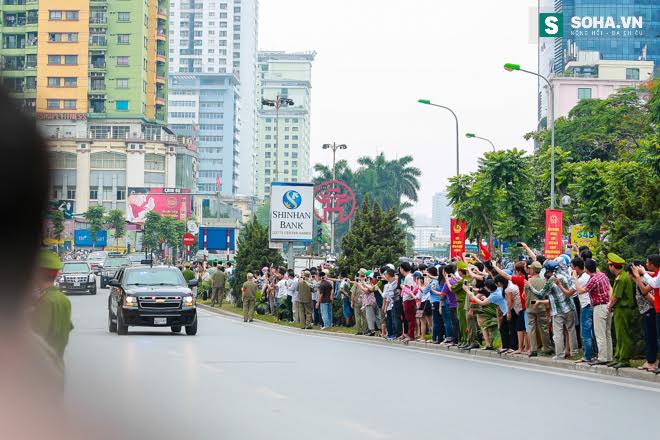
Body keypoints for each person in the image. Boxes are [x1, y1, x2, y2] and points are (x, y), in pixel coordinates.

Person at [525, 261, 577, 360]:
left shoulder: (551, 280)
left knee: (558, 333)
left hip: (557, 310)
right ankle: (574, 352)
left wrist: (529, 286)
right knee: (571, 330)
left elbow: (540, 294)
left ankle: (559, 355)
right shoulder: (565, 275)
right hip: (569, 307)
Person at [32, 250, 74, 365]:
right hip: (58, 366)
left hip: (41, 368)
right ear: (56, 274)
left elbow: (37, 337)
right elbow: (68, 327)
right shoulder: (64, 299)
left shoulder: (45, 301)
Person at [575, 258, 612, 366]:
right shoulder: (602, 275)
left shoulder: (593, 280)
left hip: (599, 307)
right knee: (607, 333)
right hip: (608, 305)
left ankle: (602, 357)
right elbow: (610, 288)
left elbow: (581, 291)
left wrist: (575, 279)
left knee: (600, 334)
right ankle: (608, 356)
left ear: (586, 269)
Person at [556, 257, 593, 363]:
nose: (571, 270)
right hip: (589, 305)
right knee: (590, 332)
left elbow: (568, 293)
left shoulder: (580, 279)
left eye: (572, 268)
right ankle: (590, 353)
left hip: (586, 306)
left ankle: (587, 355)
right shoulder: (586, 276)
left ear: (576, 268)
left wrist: (559, 285)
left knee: (585, 333)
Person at [606, 253, 635, 368]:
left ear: (613, 266)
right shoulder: (622, 276)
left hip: (623, 309)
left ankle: (624, 359)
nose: (609, 267)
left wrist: (609, 305)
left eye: (609, 265)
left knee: (623, 334)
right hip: (621, 309)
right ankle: (618, 356)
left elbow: (616, 296)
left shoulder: (621, 278)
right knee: (619, 334)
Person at [630, 262, 657, 372]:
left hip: (649, 311)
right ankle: (650, 361)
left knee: (650, 337)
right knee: (650, 337)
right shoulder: (645, 279)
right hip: (649, 311)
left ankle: (651, 362)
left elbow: (650, 298)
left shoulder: (642, 282)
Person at [524, 261, 553, 357]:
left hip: (530, 306)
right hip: (541, 307)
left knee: (531, 328)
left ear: (533, 270)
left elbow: (525, 295)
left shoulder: (529, 282)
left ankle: (533, 349)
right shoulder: (544, 281)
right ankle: (547, 348)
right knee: (544, 328)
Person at [426, 266, 445, 344]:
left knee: (436, 321)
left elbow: (424, 291)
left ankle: (435, 338)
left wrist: (422, 284)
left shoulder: (433, 282)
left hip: (435, 302)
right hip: (441, 302)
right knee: (441, 321)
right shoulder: (441, 281)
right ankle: (440, 338)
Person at [400, 265, 417, 342]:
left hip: (409, 300)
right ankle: (411, 334)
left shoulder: (408, 277)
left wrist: (404, 288)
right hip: (407, 299)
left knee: (410, 319)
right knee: (409, 318)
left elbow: (411, 289)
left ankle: (411, 335)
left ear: (402, 269)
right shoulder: (408, 277)